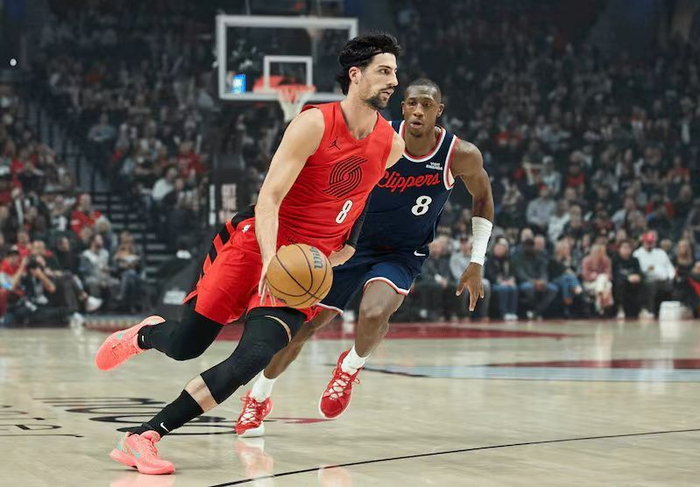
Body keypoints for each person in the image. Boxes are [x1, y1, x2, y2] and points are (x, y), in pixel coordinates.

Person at [94, 33, 405, 475]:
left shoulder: (391, 144)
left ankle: (143, 437)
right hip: (256, 243)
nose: (394, 81)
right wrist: (270, 257)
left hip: (305, 268)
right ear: (355, 75)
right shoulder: (314, 124)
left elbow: (362, 197)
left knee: (254, 356)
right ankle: (146, 334)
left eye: (395, 72)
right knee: (186, 346)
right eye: (384, 71)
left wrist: (348, 247)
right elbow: (269, 198)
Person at [237, 78, 493, 436]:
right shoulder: (380, 137)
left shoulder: (460, 154)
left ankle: (349, 368)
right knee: (303, 327)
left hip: (402, 253)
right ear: (402, 107)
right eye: (412, 103)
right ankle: (259, 396)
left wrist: (477, 260)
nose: (418, 111)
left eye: (426, 105)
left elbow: (483, 198)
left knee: (374, 313)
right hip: (350, 243)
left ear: (439, 111)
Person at [511, 238, 558, 319]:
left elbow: (543, 271)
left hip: (539, 281)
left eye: (531, 245)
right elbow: (521, 274)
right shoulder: (518, 257)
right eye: (527, 245)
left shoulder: (539, 257)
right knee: (528, 288)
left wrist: (543, 281)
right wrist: (534, 282)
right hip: (525, 282)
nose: (529, 248)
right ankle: (531, 310)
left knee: (553, 288)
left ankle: (537, 311)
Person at [633, 231, 675, 317]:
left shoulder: (661, 253)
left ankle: (670, 311)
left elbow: (669, 267)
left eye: (651, 242)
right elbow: (639, 270)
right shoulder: (637, 254)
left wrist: (671, 276)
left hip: (663, 279)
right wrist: (648, 269)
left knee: (672, 285)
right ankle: (651, 310)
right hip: (647, 278)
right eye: (648, 242)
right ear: (643, 242)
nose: (649, 244)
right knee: (651, 285)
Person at [484, 239, 518, 320]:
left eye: (501, 248)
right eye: (498, 247)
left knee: (514, 288)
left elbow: (512, 273)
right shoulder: (490, 259)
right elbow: (489, 275)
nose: (499, 249)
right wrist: (501, 282)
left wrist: (511, 280)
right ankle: (503, 313)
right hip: (494, 283)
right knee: (503, 289)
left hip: (506, 282)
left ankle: (512, 312)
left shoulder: (507, 260)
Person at [612, 240, 643, 318]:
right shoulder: (615, 259)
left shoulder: (635, 260)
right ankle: (620, 308)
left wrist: (638, 276)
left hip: (633, 280)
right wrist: (627, 277)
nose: (627, 250)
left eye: (628, 248)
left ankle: (641, 309)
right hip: (620, 281)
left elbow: (639, 272)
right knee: (620, 283)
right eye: (624, 248)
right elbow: (614, 273)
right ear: (619, 249)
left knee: (644, 283)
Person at [581, 244, 614, 315]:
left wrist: (598, 276)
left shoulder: (606, 260)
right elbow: (585, 276)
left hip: (603, 283)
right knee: (608, 286)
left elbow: (609, 275)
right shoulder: (586, 260)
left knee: (603, 278)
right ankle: (602, 301)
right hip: (590, 283)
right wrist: (593, 277)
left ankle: (599, 297)